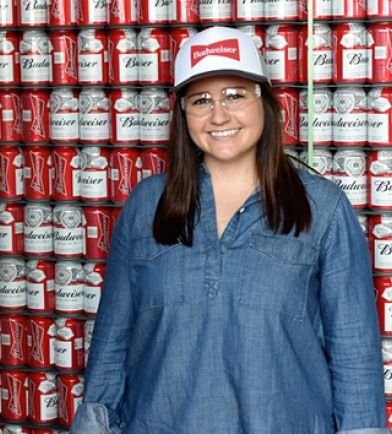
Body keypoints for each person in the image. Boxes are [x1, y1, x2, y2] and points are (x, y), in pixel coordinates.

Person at [70, 26, 388, 434]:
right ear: (183, 112)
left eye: (235, 95)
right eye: (201, 100)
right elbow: (112, 340)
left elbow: (354, 351)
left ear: (265, 102)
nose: (219, 115)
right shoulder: (146, 205)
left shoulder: (323, 208)